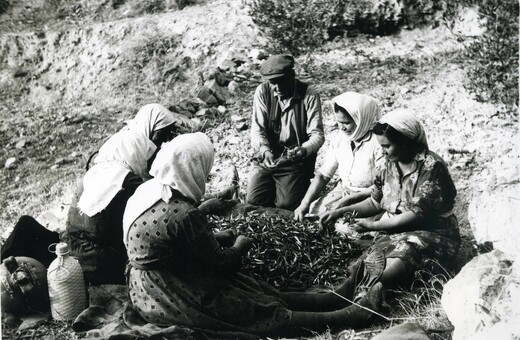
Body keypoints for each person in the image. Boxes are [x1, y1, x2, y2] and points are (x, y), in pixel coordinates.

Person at [122, 132, 385, 338]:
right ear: (191, 168)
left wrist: (222, 235)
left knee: (250, 287)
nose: (206, 175)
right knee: (251, 308)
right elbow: (223, 263)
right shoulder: (184, 213)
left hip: (147, 283)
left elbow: (176, 243)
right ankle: (351, 315)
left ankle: (332, 298)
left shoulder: (149, 191)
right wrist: (240, 243)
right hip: (168, 292)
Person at [318, 109, 460, 290]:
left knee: (406, 251)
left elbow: (416, 215)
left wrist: (372, 226)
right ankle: (352, 290)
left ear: (406, 143)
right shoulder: (387, 164)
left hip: (434, 234)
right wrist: (340, 211)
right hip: (397, 232)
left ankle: (365, 289)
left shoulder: (431, 166)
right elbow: (375, 202)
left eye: (387, 146)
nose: (383, 152)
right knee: (367, 258)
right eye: (381, 146)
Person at [64, 103, 181, 285]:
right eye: (160, 137)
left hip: (74, 256)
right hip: (101, 266)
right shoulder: (126, 180)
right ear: (139, 149)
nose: (161, 144)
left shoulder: (98, 170)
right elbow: (166, 209)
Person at [246, 54, 324, 211]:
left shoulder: (309, 94)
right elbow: (257, 129)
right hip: (269, 158)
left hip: (294, 161)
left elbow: (317, 135)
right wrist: (264, 150)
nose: (278, 88)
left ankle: (296, 186)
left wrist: (303, 149)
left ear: (292, 76)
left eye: (282, 82)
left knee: (286, 205)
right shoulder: (262, 92)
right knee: (253, 201)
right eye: (273, 83)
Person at [294, 92, 384, 225]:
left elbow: (382, 185)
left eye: (346, 123)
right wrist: (304, 203)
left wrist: (347, 201)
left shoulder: (378, 143)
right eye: (339, 122)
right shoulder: (341, 138)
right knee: (313, 214)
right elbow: (323, 175)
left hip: (368, 198)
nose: (342, 127)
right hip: (344, 191)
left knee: (349, 227)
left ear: (361, 120)